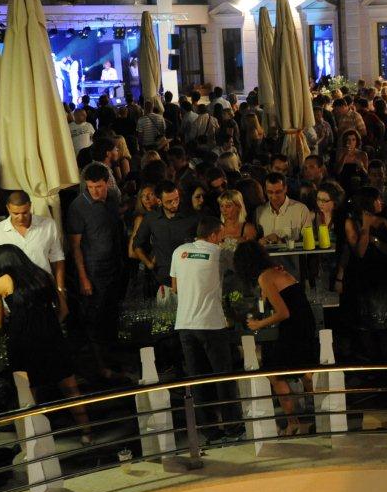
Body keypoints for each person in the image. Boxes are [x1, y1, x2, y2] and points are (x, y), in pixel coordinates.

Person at [0, 244, 91, 442]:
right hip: (51, 338)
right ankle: (87, 432)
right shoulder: (43, 276)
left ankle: (33, 442)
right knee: (71, 388)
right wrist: (49, 326)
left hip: (22, 343)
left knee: (28, 395)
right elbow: (64, 311)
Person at [232, 241, 319, 436]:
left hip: (293, 326)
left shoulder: (265, 277)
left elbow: (283, 313)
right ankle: (320, 416)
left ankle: (293, 423)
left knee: (275, 374)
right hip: (305, 323)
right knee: (305, 371)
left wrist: (258, 324)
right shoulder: (275, 272)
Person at [170, 216, 242, 437]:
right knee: (223, 377)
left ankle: (208, 430)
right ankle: (232, 426)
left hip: (185, 324)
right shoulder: (220, 253)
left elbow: (175, 288)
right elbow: (240, 270)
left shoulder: (179, 251)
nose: (222, 240)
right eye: (221, 236)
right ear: (213, 235)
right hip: (211, 323)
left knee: (197, 379)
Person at [65, 163, 127, 382]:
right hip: (94, 271)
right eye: (91, 187)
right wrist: (84, 278)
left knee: (111, 316)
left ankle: (113, 361)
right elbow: (75, 246)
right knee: (95, 320)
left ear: (106, 183)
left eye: (98, 187)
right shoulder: (78, 207)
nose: (95, 191)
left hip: (115, 267)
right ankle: (101, 368)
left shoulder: (112, 198)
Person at [0, 191, 67, 299]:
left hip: (45, 292)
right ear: (8, 208)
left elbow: (57, 258)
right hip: (13, 297)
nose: (21, 218)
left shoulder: (48, 225)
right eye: (16, 213)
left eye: (25, 213)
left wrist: (60, 290)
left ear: (30, 206)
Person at [133, 181, 201, 297]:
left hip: (188, 278)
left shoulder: (191, 216)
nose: (174, 204)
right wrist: (148, 263)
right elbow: (137, 244)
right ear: (159, 201)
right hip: (162, 279)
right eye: (169, 201)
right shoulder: (152, 218)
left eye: (176, 199)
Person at [257, 172, 314, 247]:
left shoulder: (301, 210)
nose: (274, 197)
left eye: (278, 192)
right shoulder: (259, 211)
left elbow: (308, 241)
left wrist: (282, 241)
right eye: (270, 192)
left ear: (285, 189)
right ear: (265, 190)